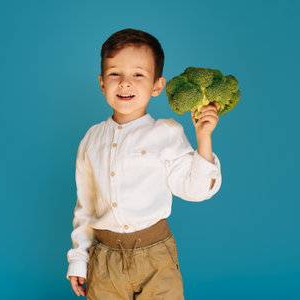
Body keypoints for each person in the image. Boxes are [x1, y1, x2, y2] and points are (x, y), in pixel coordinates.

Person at [67, 28, 222, 299]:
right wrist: (79, 260)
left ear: (157, 86)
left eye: (138, 74)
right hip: (104, 262)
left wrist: (203, 139)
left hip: (156, 259)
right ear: (102, 83)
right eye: (115, 74)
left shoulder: (167, 133)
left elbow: (195, 190)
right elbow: (85, 207)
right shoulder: (91, 138)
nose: (126, 83)